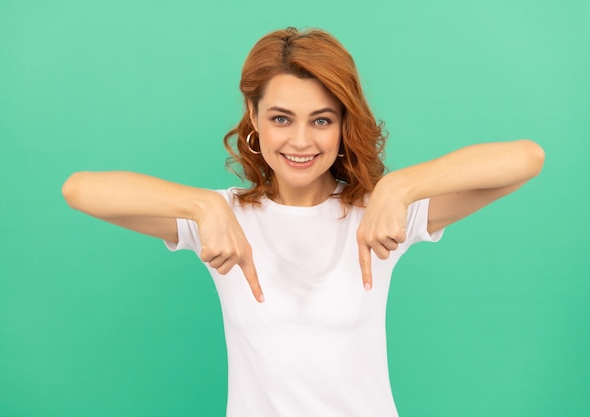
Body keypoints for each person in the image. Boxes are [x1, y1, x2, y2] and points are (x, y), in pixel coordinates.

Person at [62, 27, 544, 417]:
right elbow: (80, 190)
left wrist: (400, 188)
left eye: (321, 120)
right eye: (280, 119)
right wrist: (203, 207)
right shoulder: (222, 220)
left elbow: (525, 158)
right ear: (253, 116)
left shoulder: (380, 214)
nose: (300, 141)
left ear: (342, 124)